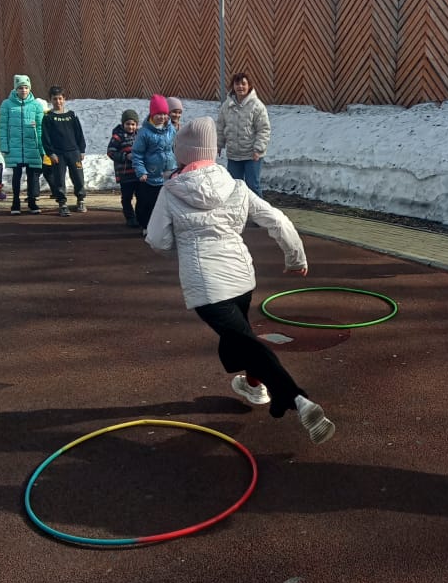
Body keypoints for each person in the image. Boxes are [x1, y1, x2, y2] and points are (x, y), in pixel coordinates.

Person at [145, 116, 335, 444]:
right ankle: (253, 386)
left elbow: (157, 241)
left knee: (245, 342)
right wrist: (295, 257)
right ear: (213, 152)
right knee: (239, 338)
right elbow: (277, 219)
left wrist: (183, 241)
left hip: (207, 287)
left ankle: (299, 400)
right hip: (242, 279)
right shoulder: (236, 186)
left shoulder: (172, 191)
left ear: (183, 153)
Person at [216, 72, 271, 197]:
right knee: (234, 186)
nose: (240, 87)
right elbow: (220, 126)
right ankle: (237, 213)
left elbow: (264, 129)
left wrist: (258, 149)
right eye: (237, 84)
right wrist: (218, 144)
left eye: (243, 84)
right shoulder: (227, 106)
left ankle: (259, 213)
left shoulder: (257, 106)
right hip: (234, 155)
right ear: (233, 86)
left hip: (252, 155)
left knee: (253, 186)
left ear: (249, 86)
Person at [0, 74, 45, 215]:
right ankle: (15, 202)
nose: (23, 90)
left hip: (32, 147)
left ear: (29, 88)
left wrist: (42, 147)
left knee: (32, 176)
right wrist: (4, 146)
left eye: (25, 87)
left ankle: (32, 201)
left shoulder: (36, 105)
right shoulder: (6, 104)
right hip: (15, 146)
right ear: (15, 89)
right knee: (16, 175)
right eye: (20, 88)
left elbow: (41, 128)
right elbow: (3, 127)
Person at [131, 94, 177, 231]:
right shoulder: (144, 132)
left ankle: (165, 226)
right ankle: (146, 225)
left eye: (164, 114)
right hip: (150, 174)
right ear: (152, 114)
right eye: (158, 114)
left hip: (168, 172)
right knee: (148, 203)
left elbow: (176, 147)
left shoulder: (171, 129)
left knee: (167, 202)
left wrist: (178, 165)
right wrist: (141, 171)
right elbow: (137, 154)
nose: (162, 117)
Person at [41, 86, 87, 216]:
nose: (58, 101)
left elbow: (79, 134)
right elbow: (45, 138)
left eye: (60, 98)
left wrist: (81, 150)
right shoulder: (48, 117)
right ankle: (62, 203)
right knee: (59, 179)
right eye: (55, 99)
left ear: (64, 99)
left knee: (78, 177)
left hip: (73, 152)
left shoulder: (71, 115)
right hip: (58, 154)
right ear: (50, 100)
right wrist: (51, 153)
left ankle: (81, 199)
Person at [107, 109, 141, 227]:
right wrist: (125, 156)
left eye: (133, 124)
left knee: (141, 196)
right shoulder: (118, 136)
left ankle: (139, 216)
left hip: (139, 173)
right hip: (125, 173)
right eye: (128, 124)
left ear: (137, 125)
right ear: (123, 124)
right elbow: (111, 152)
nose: (130, 127)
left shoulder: (140, 135)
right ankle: (130, 217)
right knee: (127, 197)